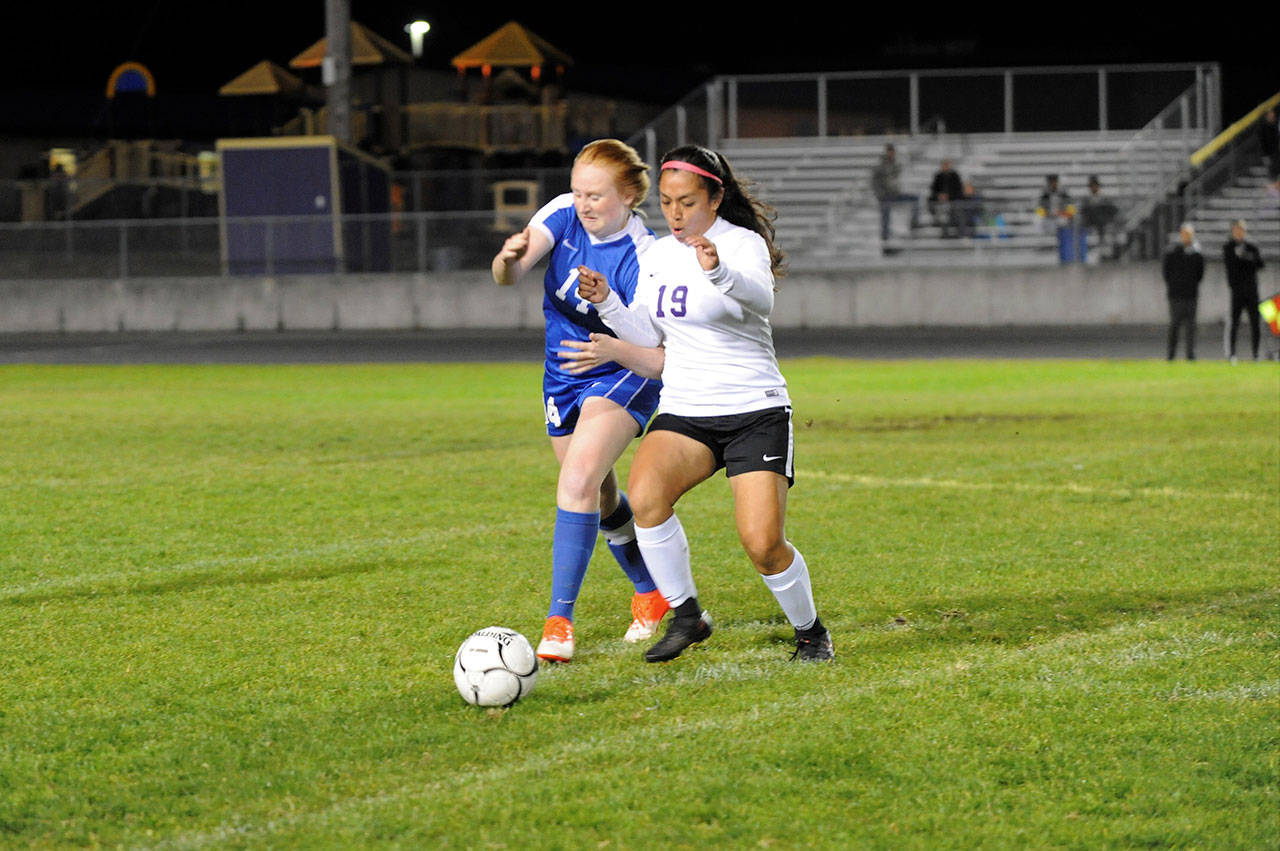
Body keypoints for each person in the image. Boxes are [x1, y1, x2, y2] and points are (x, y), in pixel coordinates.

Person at [576, 144, 834, 663]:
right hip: (687, 408)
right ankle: (687, 615)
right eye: (668, 202)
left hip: (753, 409)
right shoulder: (656, 255)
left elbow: (760, 300)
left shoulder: (742, 245)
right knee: (646, 498)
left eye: (687, 202)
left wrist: (717, 271)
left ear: (715, 199)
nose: (675, 213)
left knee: (763, 545)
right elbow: (649, 334)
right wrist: (607, 302)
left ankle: (811, 632)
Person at [491, 138, 670, 662]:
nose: (583, 204)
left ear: (630, 197)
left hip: (622, 371)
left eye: (596, 195)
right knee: (596, 494)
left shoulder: (645, 254)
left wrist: (609, 332)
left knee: (575, 482)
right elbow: (510, 275)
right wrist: (506, 261)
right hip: (562, 374)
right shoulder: (564, 214)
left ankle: (558, 623)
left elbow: (654, 345)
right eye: (577, 192)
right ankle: (651, 590)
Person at [1222, 219, 1265, 362]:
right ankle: (1232, 354)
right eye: (1236, 230)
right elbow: (1230, 267)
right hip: (1237, 291)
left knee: (1255, 323)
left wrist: (1245, 256)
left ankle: (1256, 354)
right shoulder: (1228, 247)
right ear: (1233, 231)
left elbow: (1260, 264)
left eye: (1241, 230)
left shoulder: (1251, 247)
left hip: (1252, 291)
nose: (1239, 233)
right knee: (1234, 322)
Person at [1162, 223, 1205, 361]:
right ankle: (1171, 354)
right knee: (1174, 325)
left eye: (1189, 234)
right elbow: (1166, 272)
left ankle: (1190, 354)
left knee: (1191, 327)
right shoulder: (1173, 252)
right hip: (1176, 295)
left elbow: (1200, 274)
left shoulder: (1197, 254)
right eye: (1184, 234)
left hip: (1191, 295)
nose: (1186, 237)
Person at [870, 143, 919, 241]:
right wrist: (880, 195)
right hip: (885, 196)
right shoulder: (880, 166)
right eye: (890, 152)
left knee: (915, 199)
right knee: (885, 218)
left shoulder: (895, 164)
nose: (891, 154)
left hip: (895, 194)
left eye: (893, 152)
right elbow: (874, 182)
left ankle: (914, 223)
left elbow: (899, 172)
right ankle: (885, 241)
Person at [1080, 175, 1118, 257]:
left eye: (1095, 186)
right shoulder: (1086, 199)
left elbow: (1113, 210)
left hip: (1102, 222)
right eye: (1092, 186)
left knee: (1102, 220)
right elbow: (1083, 211)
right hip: (1090, 221)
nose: (1094, 188)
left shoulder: (1104, 198)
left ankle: (1103, 244)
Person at [928, 159, 964, 237]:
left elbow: (959, 190)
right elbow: (933, 191)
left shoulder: (955, 176)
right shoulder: (938, 176)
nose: (946, 166)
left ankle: (958, 233)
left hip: (953, 201)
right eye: (944, 165)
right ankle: (944, 233)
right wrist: (939, 196)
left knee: (956, 212)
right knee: (943, 215)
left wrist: (949, 196)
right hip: (940, 203)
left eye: (947, 164)